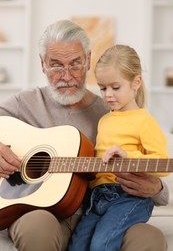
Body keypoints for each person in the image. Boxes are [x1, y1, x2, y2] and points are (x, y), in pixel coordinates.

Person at [0, 20, 169, 251]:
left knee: (149, 238)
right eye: (56, 65)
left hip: (101, 210)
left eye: (75, 64)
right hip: (43, 213)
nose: (66, 75)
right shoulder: (25, 103)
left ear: (88, 60)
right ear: (42, 64)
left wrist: (157, 189)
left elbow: (157, 172)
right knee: (36, 225)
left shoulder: (111, 112)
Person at [68, 44, 169, 251]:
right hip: (98, 197)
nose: (108, 95)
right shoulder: (104, 120)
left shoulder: (145, 121)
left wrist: (128, 156)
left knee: (101, 245)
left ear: (136, 82)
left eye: (115, 87)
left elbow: (163, 164)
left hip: (129, 197)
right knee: (77, 246)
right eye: (103, 88)